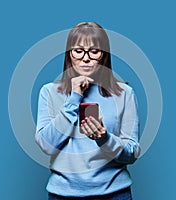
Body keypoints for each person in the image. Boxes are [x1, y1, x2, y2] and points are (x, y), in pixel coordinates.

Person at [35, 22, 141, 200]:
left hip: (114, 194)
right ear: (69, 54)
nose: (86, 58)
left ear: (104, 55)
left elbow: (131, 153)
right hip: (63, 195)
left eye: (94, 51)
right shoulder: (49, 92)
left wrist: (104, 139)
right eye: (78, 50)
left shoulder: (124, 94)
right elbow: (46, 145)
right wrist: (74, 97)